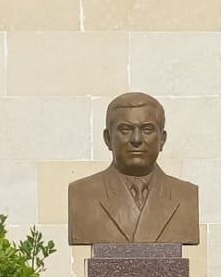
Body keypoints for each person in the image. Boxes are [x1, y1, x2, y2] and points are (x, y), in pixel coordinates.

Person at [67, 91, 200, 245]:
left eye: (147, 130)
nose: (136, 139)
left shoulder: (185, 196)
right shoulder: (83, 194)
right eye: (125, 130)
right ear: (108, 139)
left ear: (162, 140)